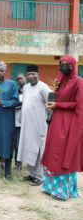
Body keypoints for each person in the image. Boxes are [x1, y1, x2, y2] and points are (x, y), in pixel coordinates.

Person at [41, 55, 83, 200]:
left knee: (62, 151)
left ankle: (62, 190)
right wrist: (52, 104)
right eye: (62, 64)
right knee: (52, 150)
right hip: (56, 121)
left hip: (68, 123)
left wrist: (58, 105)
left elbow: (78, 105)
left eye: (67, 64)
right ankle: (48, 186)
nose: (64, 66)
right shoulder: (59, 80)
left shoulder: (78, 81)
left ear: (73, 66)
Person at [17, 65, 51, 186]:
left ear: (38, 75)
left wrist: (50, 118)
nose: (31, 76)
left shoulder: (43, 87)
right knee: (28, 148)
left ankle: (39, 176)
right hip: (27, 125)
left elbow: (52, 103)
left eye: (33, 74)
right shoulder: (26, 87)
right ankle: (32, 174)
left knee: (38, 149)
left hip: (39, 124)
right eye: (29, 74)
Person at [14, 73, 26, 171]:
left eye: (21, 78)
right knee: (17, 144)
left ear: (25, 78)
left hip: (30, 122)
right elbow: (15, 104)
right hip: (18, 122)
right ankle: (18, 164)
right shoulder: (16, 91)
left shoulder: (30, 89)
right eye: (18, 79)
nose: (19, 81)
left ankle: (32, 164)